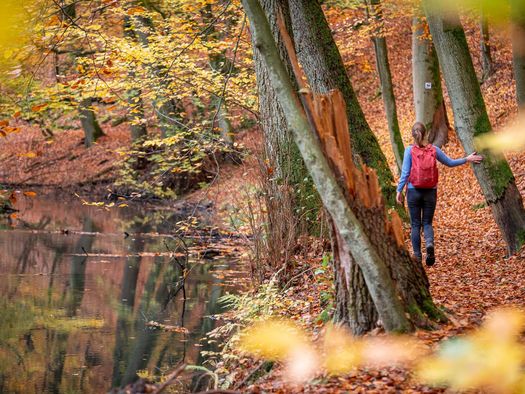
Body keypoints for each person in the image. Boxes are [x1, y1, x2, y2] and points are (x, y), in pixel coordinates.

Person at [396, 122, 483, 266]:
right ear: (426, 134)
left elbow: (405, 173)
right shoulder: (434, 150)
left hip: (413, 192)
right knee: (427, 223)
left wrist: (399, 190)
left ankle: (417, 257)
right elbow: (449, 162)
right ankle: (429, 244)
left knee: (415, 224)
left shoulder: (409, 151)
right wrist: (467, 159)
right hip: (430, 191)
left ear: (413, 134)